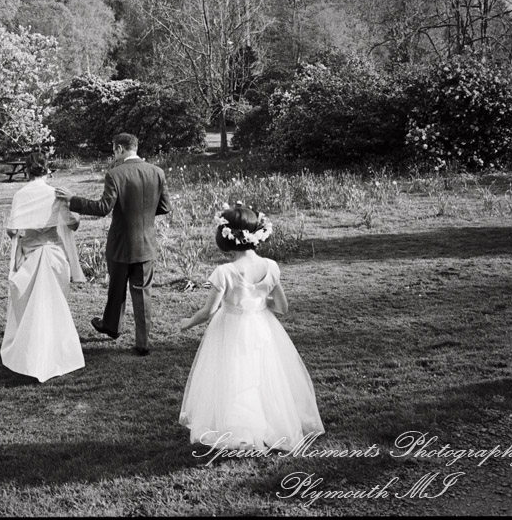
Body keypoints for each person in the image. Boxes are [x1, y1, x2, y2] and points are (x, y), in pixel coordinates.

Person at [178, 202, 324, 450]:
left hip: (231, 328)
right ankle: (269, 423)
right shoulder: (270, 267)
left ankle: (241, 429)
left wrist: (187, 322)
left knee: (234, 374)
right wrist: (256, 302)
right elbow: (282, 307)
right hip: (262, 327)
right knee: (263, 373)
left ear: (226, 238)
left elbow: (208, 311)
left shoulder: (224, 272)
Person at [55, 133, 170, 356]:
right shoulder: (157, 172)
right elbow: (164, 207)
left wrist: (73, 199)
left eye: (113, 150)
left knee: (117, 288)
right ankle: (142, 342)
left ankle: (113, 327)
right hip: (146, 244)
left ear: (119, 149)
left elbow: (103, 208)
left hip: (120, 243)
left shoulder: (115, 174)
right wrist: (142, 216)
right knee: (142, 293)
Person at [2, 152, 86, 382]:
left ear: (27, 171)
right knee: (53, 306)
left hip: (31, 256)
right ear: (47, 170)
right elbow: (74, 224)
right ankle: (56, 352)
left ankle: (31, 355)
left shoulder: (20, 195)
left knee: (32, 308)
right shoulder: (55, 194)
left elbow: (12, 230)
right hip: (54, 256)